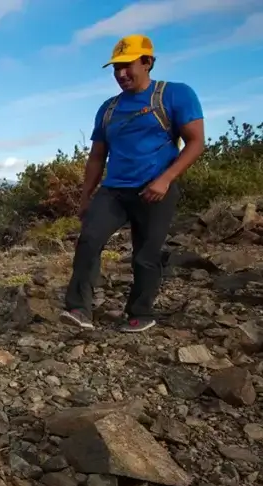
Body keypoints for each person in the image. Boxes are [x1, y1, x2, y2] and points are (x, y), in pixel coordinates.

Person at [61, 34, 205, 333]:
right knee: (89, 240)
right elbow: (97, 156)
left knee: (146, 253)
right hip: (113, 190)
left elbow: (195, 143)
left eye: (127, 65)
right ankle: (79, 309)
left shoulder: (175, 95)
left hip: (155, 189)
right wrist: (86, 196)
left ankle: (140, 312)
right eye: (116, 68)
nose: (121, 74)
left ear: (147, 62)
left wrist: (165, 180)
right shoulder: (109, 108)